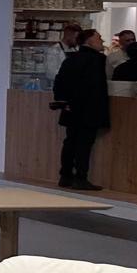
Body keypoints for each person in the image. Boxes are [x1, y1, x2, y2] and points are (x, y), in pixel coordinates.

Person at [52, 27, 109, 191]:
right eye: (98, 38)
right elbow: (95, 87)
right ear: (89, 40)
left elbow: (60, 81)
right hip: (89, 109)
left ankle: (65, 175)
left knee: (70, 141)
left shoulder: (71, 58)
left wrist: (65, 101)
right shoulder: (96, 60)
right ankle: (81, 178)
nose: (102, 41)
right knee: (84, 144)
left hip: (71, 108)